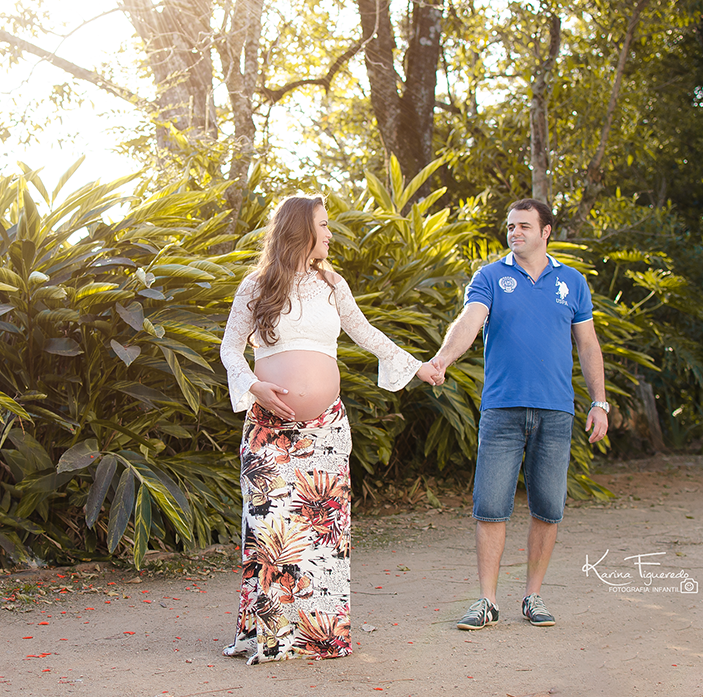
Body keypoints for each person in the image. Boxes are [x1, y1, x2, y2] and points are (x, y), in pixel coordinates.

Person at [219, 194, 440, 665]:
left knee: (322, 536)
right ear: (300, 230)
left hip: (326, 430)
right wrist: (254, 386)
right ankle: (272, 636)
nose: (330, 234)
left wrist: (416, 367)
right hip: (270, 427)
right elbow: (230, 349)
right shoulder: (256, 285)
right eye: (323, 225)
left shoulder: (332, 283)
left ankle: (320, 637)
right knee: (270, 531)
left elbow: (366, 333)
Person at [430, 198, 608, 630]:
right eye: (510, 226)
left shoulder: (572, 282)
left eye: (524, 226)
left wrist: (599, 401)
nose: (515, 232)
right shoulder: (490, 276)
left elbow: (587, 345)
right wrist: (443, 359)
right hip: (502, 409)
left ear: (546, 231)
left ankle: (533, 596)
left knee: (548, 507)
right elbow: (469, 321)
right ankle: (487, 601)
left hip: (555, 411)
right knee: (490, 506)